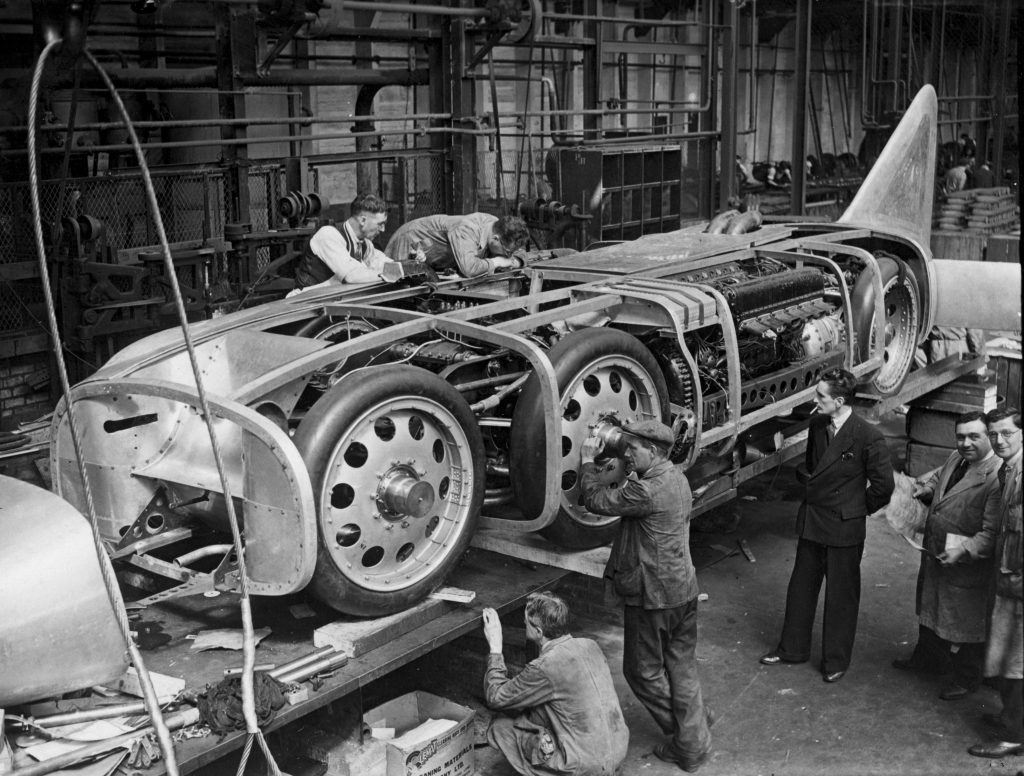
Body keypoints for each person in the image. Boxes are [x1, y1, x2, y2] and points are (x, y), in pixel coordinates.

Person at [579, 419, 713, 772]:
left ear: (653, 451)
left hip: (654, 596)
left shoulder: (645, 492)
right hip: (683, 590)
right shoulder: (677, 478)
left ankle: (690, 739)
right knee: (680, 665)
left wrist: (587, 462)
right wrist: (626, 468)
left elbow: (595, 499)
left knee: (641, 672)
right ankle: (694, 724)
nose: (626, 453)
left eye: (632, 450)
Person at [761, 368, 895, 682]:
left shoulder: (867, 435)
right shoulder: (819, 423)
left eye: (821, 396)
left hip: (844, 526)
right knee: (800, 588)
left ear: (838, 401)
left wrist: (855, 510)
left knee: (841, 596)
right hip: (814, 519)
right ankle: (792, 648)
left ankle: (835, 660)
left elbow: (883, 487)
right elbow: (812, 467)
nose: (815, 400)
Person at [891, 411, 1001, 700]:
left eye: (974, 436)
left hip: (965, 559)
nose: (965, 443)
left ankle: (967, 678)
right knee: (931, 606)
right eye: (961, 436)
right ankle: (928, 659)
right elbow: (942, 475)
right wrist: (927, 487)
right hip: (938, 549)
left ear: (989, 436)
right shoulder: (958, 457)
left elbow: (991, 533)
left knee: (967, 621)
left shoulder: (996, 477)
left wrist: (964, 550)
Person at [481, 592, 629, 776]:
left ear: (539, 632)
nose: (524, 624)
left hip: (587, 766)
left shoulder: (545, 667)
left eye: (526, 622)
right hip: (618, 749)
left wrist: (495, 647)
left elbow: (495, 697)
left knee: (501, 727)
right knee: (535, 713)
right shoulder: (590, 645)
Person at [968, 408, 1023, 759]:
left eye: (1007, 433)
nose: (998, 441)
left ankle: (1016, 735)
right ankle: (1010, 718)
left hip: (1020, 581)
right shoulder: (1009, 469)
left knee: (1019, 660)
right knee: (1006, 655)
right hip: (1009, 576)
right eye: (993, 434)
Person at [291, 193, 403, 293]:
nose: (383, 229)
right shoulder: (329, 235)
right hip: (304, 304)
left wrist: (410, 265)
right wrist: (389, 274)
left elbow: (385, 263)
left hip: (333, 301)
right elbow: (351, 276)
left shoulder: (365, 244)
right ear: (363, 220)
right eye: (380, 224)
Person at [384, 213, 529, 278]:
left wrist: (514, 261)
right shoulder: (467, 229)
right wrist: (497, 262)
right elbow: (469, 268)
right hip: (409, 241)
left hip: (433, 257)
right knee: (397, 285)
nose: (507, 256)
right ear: (496, 239)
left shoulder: (496, 226)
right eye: (507, 252)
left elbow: (521, 252)